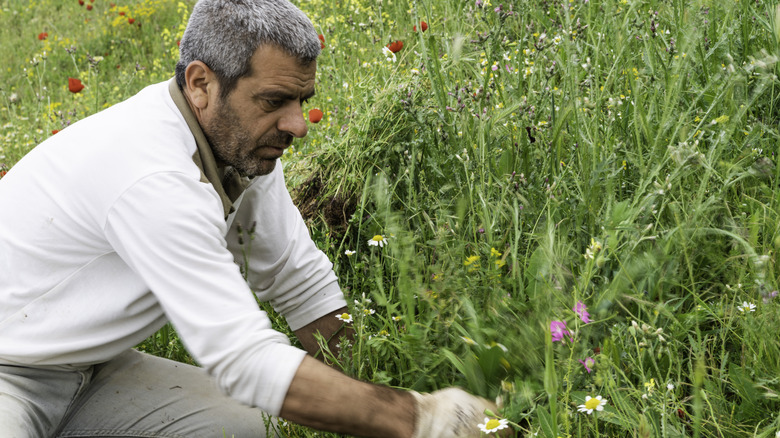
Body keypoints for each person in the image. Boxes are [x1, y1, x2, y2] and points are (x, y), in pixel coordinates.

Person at [0, 0, 501, 437]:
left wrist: (372, 377)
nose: (297, 125)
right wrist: (419, 419)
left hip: (95, 366)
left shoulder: (236, 147)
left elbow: (297, 279)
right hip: (9, 375)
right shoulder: (149, 174)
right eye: (275, 101)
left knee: (250, 427)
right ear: (201, 83)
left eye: (302, 101)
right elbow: (242, 359)